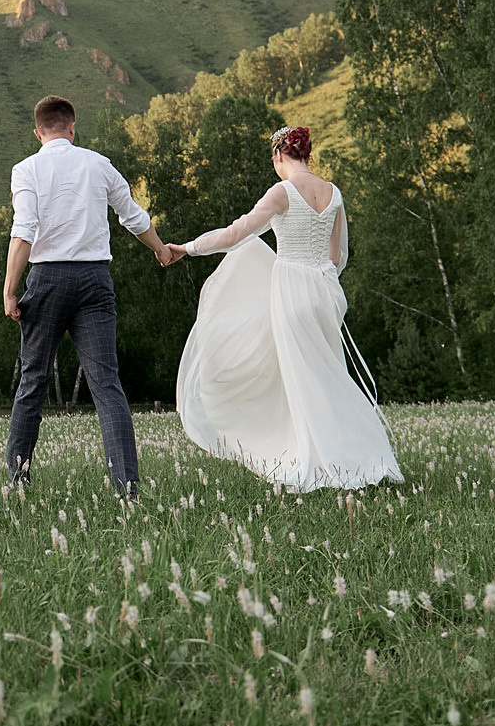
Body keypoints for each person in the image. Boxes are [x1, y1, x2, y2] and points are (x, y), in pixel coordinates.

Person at [157, 125, 402, 491]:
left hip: (291, 289)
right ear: (306, 153)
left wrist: (187, 248)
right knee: (327, 377)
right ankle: (357, 457)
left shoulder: (282, 191)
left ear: (278, 156)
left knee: (303, 381)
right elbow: (337, 256)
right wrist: (321, 282)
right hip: (326, 293)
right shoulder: (333, 192)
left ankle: (318, 461)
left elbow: (235, 234)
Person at [4, 95, 175, 495]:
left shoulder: (26, 169)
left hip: (46, 280)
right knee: (107, 385)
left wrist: (10, 290)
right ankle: (127, 487)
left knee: (33, 380)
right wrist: (160, 249)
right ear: (72, 127)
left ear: (37, 133)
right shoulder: (99, 164)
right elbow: (133, 216)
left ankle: (17, 482)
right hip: (95, 281)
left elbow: (23, 231)